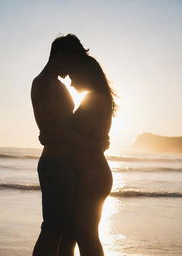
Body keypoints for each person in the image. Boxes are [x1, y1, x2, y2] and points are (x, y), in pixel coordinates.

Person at [31, 34, 109, 256]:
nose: (73, 67)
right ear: (60, 55)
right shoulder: (45, 83)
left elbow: (61, 131)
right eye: (72, 60)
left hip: (64, 164)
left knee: (66, 231)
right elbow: (59, 132)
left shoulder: (55, 84)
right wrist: (97, 145)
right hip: (56, 164)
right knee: (53, 229)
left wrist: (93, 144)